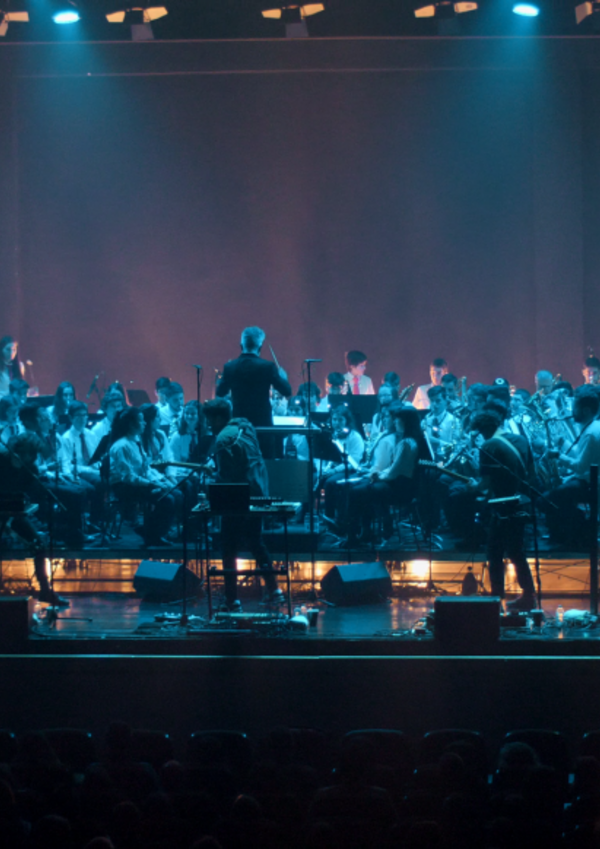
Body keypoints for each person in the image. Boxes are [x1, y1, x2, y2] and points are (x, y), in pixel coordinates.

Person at [203, 398, 284, 612]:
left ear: (218, 418)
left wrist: (213, 477)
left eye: (209, 420)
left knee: (229, 546)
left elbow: (227, 477)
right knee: (255, 542)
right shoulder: (245, 426)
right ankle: (274, 590)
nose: (208, 424)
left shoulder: (223, 439)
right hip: (259, 491)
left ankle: (232, 600)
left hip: (238, 497)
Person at [469, 409, 536, 611]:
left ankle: (496, 599)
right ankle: (529, 596)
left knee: (494, 552)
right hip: (522, 502)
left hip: (501, 504)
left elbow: (485, 484)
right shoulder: (521, 440)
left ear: (484, 430)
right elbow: (531, 473)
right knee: (516, 551)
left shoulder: (489, 446)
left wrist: (473, 485)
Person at [0, 432, 69, 605]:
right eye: (29, 454)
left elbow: (26, 497)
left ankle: (45, 591)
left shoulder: (30, 469)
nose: (33, 458)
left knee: (39, 545)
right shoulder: (2, 461)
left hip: (13, 515)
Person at [344, 403, 428, 546]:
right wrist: (378, 474)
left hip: (400, 489)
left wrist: (377, 476)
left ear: (405, 422)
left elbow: (393, 473)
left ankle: (353, 534)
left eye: (397, 420)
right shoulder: (412, 440)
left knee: (356, 491)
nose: (395, 422)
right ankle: (366, 530)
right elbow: (393, 469)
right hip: (402, 484)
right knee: (363, 487)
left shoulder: (406, 444)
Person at [216, 327, 292, 458]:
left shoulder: (230, 367)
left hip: (239, 426)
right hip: (263, 425)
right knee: (264, 461)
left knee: (240, 461)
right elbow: (286, 391)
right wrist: (282, 377)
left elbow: (220, 392)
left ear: (241, 345)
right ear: (260, 347)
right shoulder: (267, 367)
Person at [542, 385, 600, 549]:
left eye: (575, 407)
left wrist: (557, 456)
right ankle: (571, 534)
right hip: (590, 480)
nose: (572, 411)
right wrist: (564, 442)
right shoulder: (594, 427)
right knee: (557, 495)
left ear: (586, 410)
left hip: (590, 484)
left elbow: (580, 467)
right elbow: (583, 457)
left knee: (544, 500)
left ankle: (576, 532)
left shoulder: (590, 433)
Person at [109, 407, 176, 546]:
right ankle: (153, 534)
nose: (145, 423)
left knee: (176, 493)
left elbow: (145, 468)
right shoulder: (121, 446)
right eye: (141, 420)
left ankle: (151, 531)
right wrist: (153, 484)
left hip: (139, 483)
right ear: (131, 424)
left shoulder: (136, 441)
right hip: (125, 487)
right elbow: (128, 477)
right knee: (167, 499)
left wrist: (161, 479)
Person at [422, 386, 459, 463]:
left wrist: (438, 442)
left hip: (447, 462)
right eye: (432, 401)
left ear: (446, 401)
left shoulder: (454, 421)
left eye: (438, 401)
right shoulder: (426, 420)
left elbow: (457, 447)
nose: (434, 405)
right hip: (428, 461)